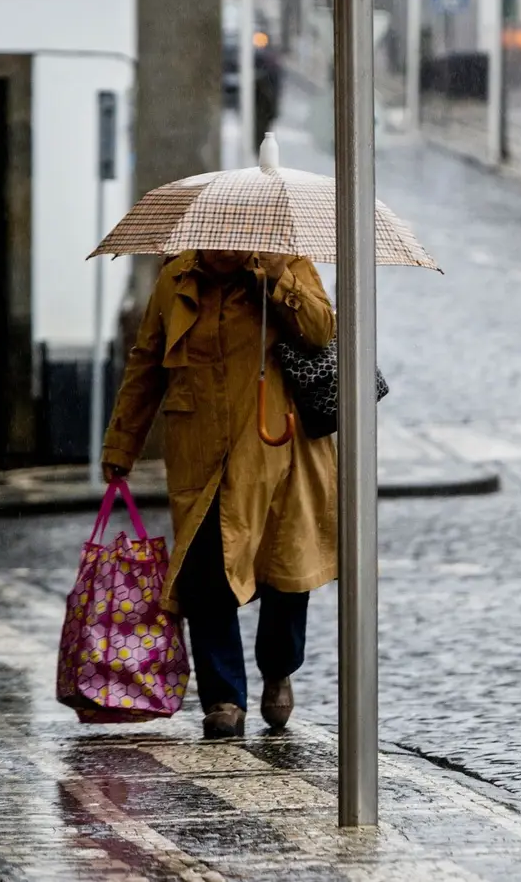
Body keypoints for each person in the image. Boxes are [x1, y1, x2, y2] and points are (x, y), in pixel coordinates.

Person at [101, 248, 337, 738]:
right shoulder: (175, 281)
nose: (225, 250)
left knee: (284, 574)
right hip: (201, 454)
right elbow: (146, 364)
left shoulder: (285, 265)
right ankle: (224, 697)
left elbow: (321, 330)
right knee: (204, 576)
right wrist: (122, 442)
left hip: (277, 448)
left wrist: (278, 281)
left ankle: (278, 670)